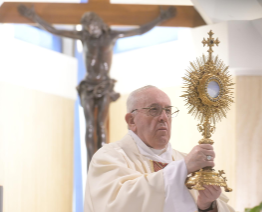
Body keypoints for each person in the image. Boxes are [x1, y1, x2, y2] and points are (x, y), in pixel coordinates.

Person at [18, 5, 177, 168]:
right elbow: (55, 31)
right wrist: (34, 17)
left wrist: (161, 19)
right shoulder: (84, 37)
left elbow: (139, 31)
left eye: (92, 25)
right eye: (86, 26)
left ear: (99, 24)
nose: (89, 29)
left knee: (100, 125)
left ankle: (102, 162)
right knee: (89, 126)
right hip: (88, 86)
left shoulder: (111, 36)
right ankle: (90, 165)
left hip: (104, 86)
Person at [84, 85, 235, 212]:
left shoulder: (186, 161)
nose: (163, 117)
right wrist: (181, 169)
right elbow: (117, 204)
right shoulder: (109, 157)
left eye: (168, 111)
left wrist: (206, 205)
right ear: (131, 121)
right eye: (154, 110)